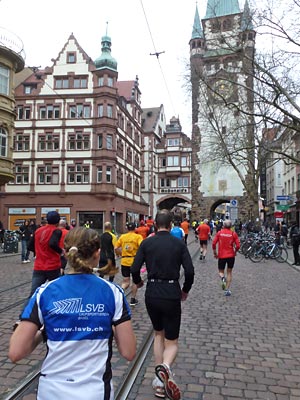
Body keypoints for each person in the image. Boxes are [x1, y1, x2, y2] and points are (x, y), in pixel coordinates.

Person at [9, 227, 136, 400]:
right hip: (95, 391)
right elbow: (128, 352)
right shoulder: (113, 292)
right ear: (97, 254)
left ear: (65, 252)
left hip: (52, 391)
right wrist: (106, 327)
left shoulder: (45, 292)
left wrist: (44, 332)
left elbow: (16, 353)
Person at [131, 209, 194, 400]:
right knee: (172, 341)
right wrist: (185, 290)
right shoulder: (178, 243)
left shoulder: (147, 242)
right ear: (171, 225)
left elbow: (135, 268)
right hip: (171, 292)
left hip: (152, 292)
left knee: (158, 334)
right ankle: (165, 368)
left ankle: (159, 384)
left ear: (155, 224)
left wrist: (139, 282)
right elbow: (189, 271)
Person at [27, 211, 63, 297]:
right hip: (53, 265)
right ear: (58, 221)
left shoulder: (38, 230)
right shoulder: (57, 231)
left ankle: (28, 309)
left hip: (39, 266)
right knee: (57, 291)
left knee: (34, 293)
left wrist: (38, 252)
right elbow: (52, 243)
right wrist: (61, 251)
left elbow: (29, 246)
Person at [114, 222, 143, 306]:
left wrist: (120, 253)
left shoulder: (122, 237)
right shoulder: (138, 237)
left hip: (124, 261)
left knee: (126, 281)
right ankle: (133, 299)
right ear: (135, 228)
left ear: (127, 228)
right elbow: (142, 247)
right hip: (134, 261)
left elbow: (116, 247)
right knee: (135, 281)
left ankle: (121, 293)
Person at [212, 219, 240, 296]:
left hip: (221, 255)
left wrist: (215, 252)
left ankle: (222, 278)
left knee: (221, 271)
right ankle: (227, 290)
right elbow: (238, 245)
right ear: (231, 226)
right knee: (229, 272)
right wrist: (235, 251)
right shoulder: (233, 233)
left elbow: (214, 243)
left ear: (223, 226)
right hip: (231, 255)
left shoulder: (219, 233)